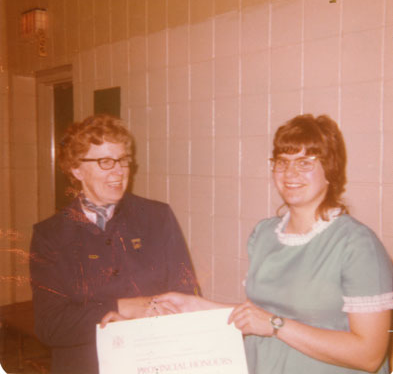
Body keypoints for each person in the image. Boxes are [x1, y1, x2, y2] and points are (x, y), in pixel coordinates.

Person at [156, 114, 393, 374]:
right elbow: (259, 316)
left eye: (305, 163)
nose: (290, 173)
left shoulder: (357, 246)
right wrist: (193, 306)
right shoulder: (265, 233)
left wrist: (276, 325)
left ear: (330, 170)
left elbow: (369, 355)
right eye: (282, 162)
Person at [29, 114, 199, 374]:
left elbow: (187, 294)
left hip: (152, 361)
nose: (118, 171)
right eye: (105, 162)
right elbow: (50, 325)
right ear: (76, 168)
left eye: (123, 161)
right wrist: (122, 308)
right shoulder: (50, 235)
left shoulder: (156, 216)